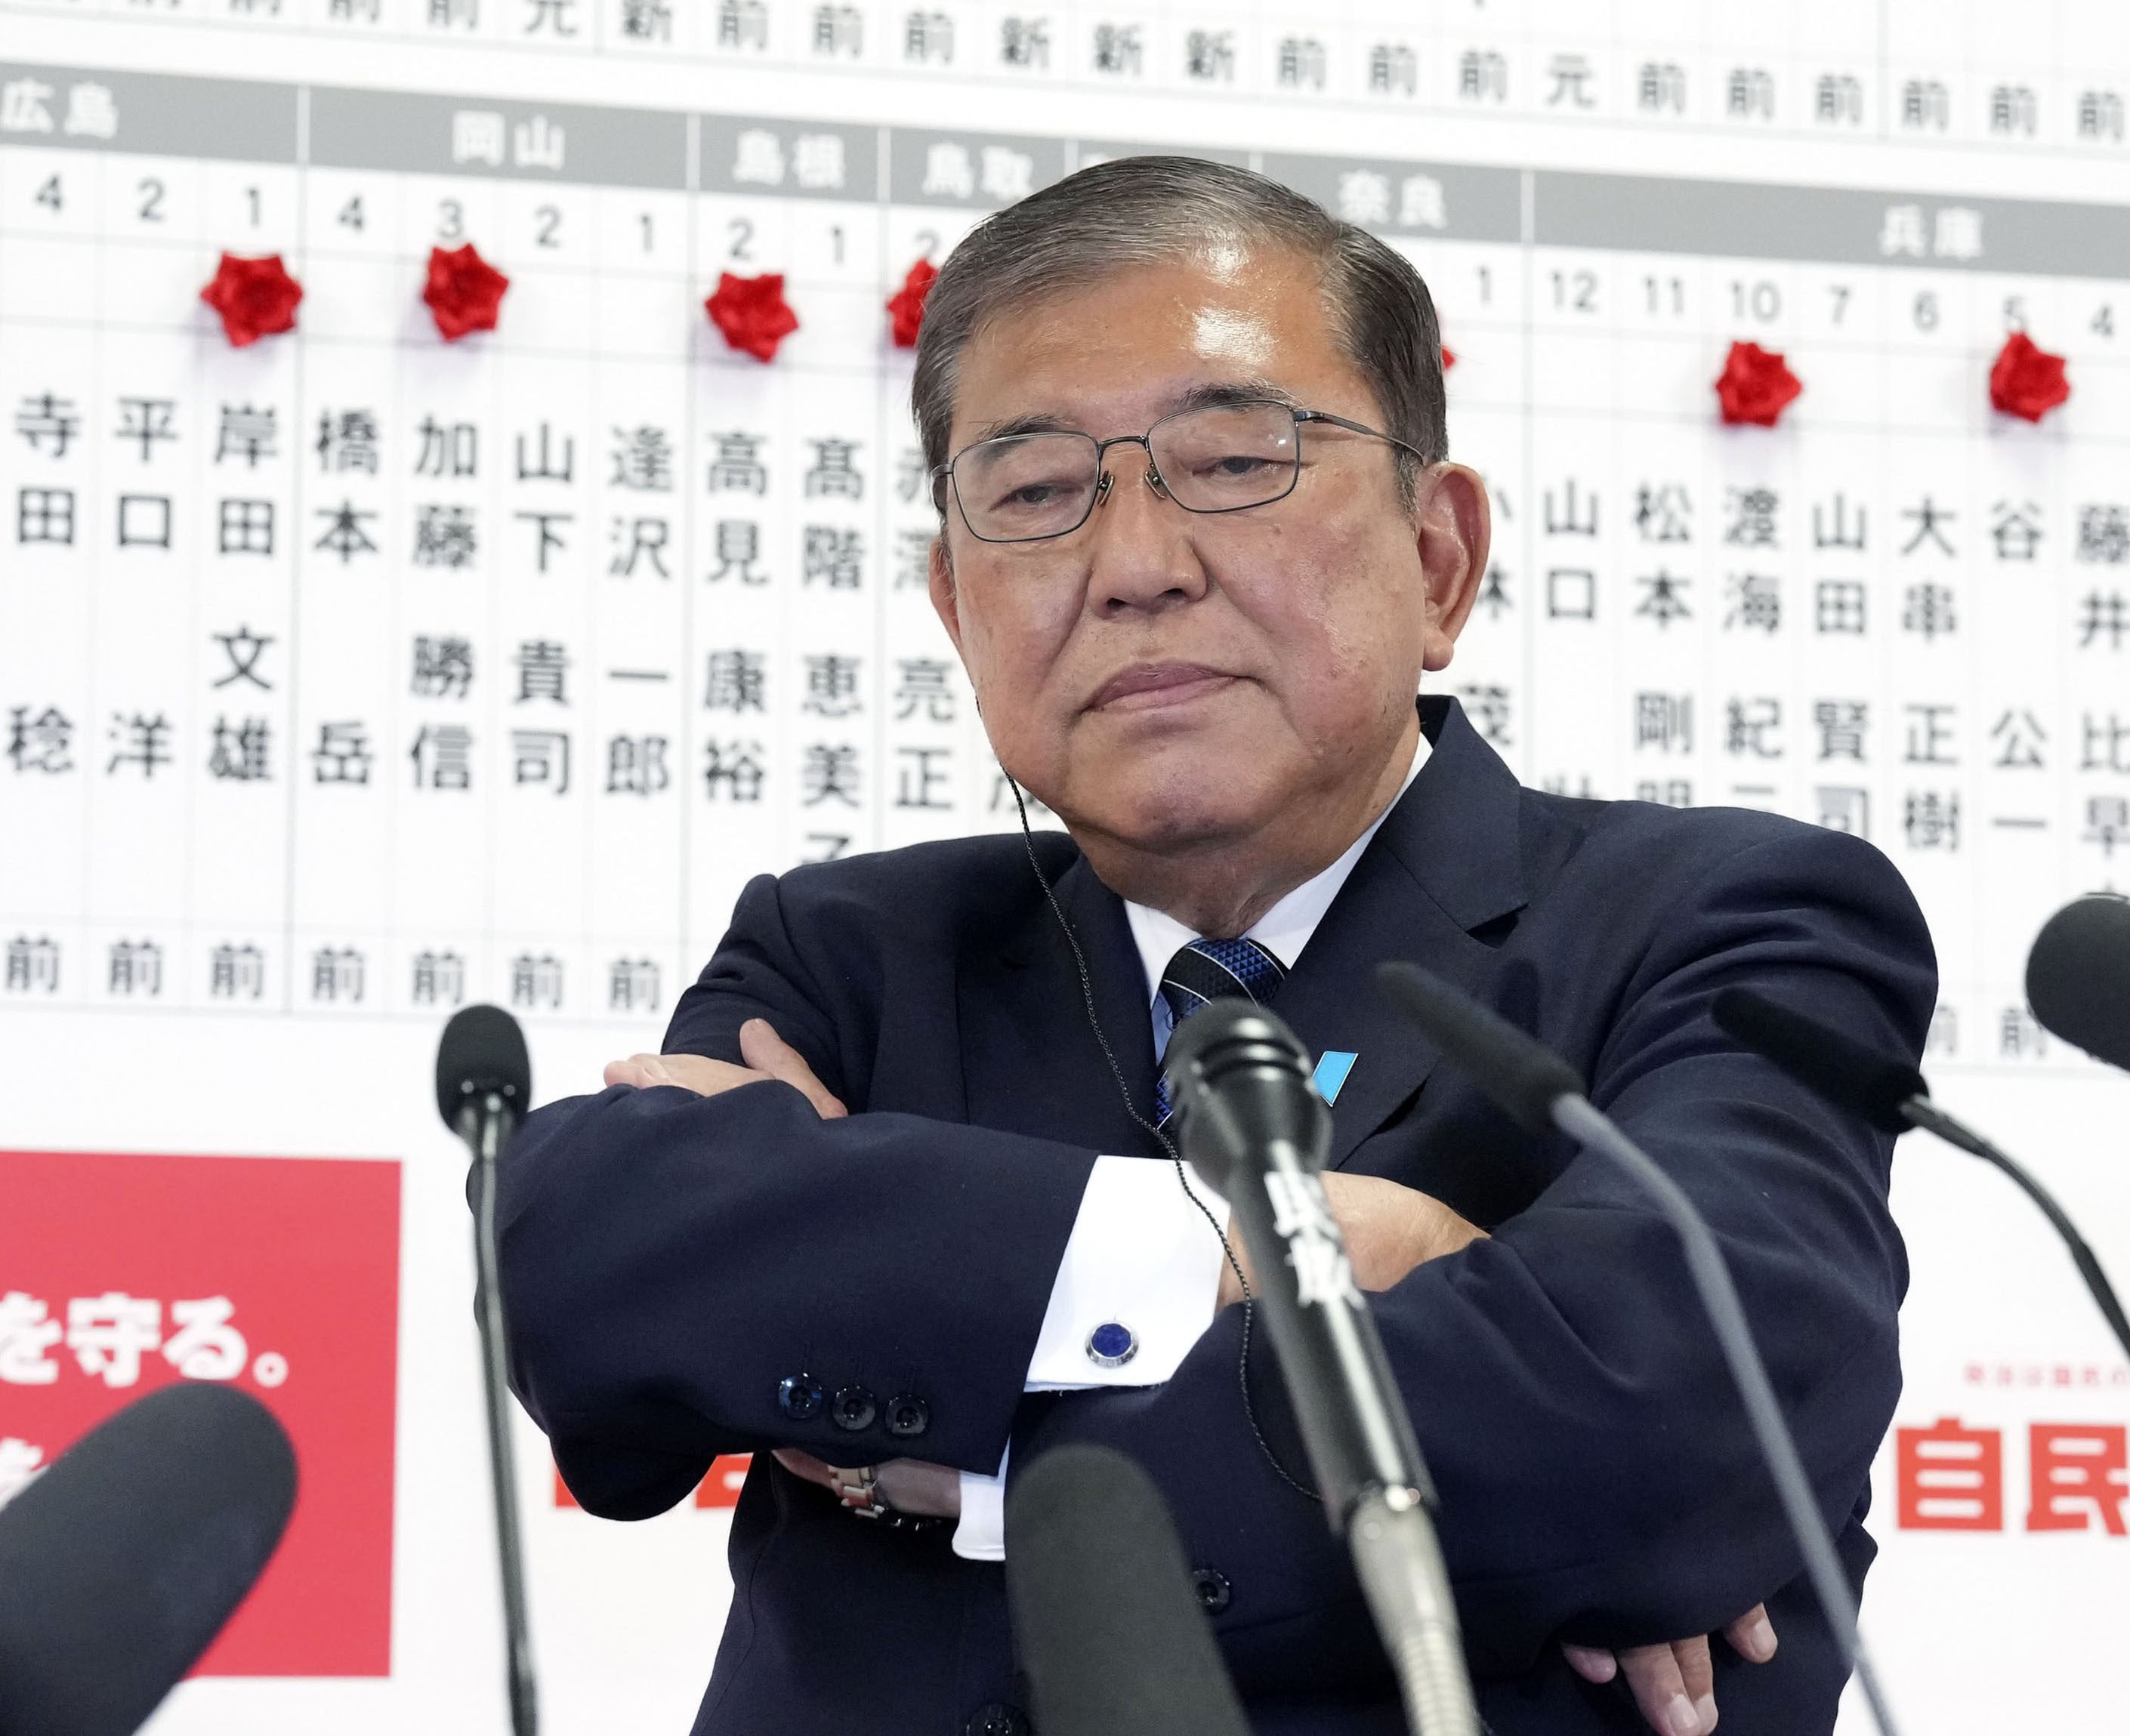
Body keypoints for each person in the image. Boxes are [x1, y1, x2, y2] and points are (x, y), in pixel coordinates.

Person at [496, 156, 1934, 1736]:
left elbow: (1671, 1413)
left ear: (1440, 559)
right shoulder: (850, 950)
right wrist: (1265, 1253)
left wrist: (943, 1456)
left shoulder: (1726, 921)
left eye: (1234, 460)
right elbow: (588, 1265)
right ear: (955, 605)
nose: (1134, 562)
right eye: (1038, 492)